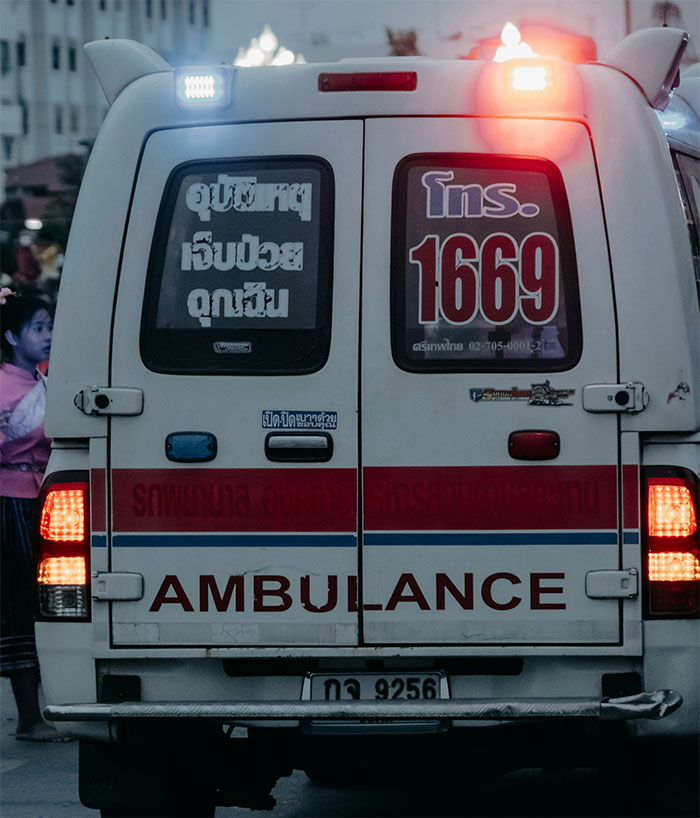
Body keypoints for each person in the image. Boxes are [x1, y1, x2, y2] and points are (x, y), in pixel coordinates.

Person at [0, 287, 68, 740]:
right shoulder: (5, 386)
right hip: (10, 500)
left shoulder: (44, 383)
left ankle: (43, 710)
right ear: (11, 336)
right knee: (20, 602)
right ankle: (29, 717)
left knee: (46, 599)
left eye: (50, 327)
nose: (47, 336)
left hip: (41, 495)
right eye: (38, 328)